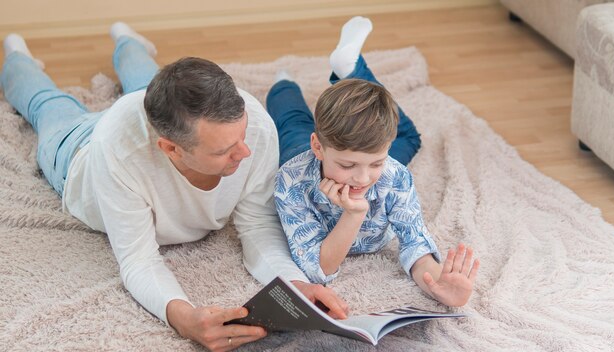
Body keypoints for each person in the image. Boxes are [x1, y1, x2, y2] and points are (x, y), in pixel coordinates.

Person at [0, 22, 349, 351]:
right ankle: (16, 54)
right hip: (76, 152)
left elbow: (257, 224)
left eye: (241, 136)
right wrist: (183, 317)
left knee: (147, 82)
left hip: (155, 117)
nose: (245, 152)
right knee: (49, 105)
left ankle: (127, 40)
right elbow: (138, 260)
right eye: (224, 150)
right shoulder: (119, 150)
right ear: (171, 149)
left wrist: (294, 284)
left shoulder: (253, 125)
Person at [268, 16, 479, 307]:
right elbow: (318, 269)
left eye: (376, 163)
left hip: (358, 158)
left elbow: (414, 242)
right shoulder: (290, 181)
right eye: (347, 165)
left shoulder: (394, 175)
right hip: (300, 158)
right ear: (318, 146)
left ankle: (350, 71)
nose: (364, 179)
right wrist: (353, 215)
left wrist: (438, 284)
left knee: (408, 141)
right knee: (292, 121)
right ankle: (283, 83)